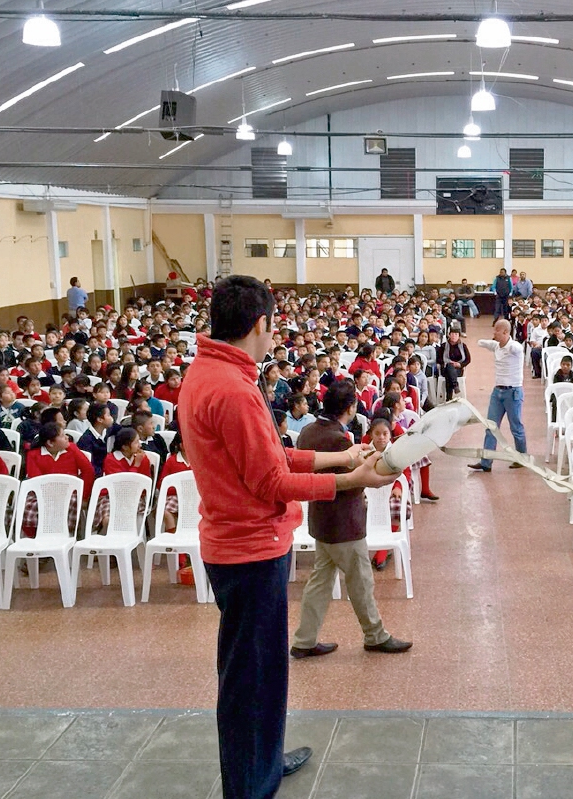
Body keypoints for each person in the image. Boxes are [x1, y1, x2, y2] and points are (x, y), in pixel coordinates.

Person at [178, 275, 397, 799]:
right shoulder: (233, 389)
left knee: (257, 668)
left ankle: (263, 761)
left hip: (236, 541)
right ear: (261, 324)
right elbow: (271, 481)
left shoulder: (208, 372)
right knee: (252, 676)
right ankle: (251, 784)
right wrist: (351, 480)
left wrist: (340, 455)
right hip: (249, 548)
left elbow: (269, 455)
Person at [291, 379, 412, 661]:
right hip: (344, 523)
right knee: (361, 582)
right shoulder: (338, 439)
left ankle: (304, 640)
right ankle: (375, 635)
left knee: (320, 583)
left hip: (321, 520)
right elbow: (351, 481)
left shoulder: (308, 431)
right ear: (350, 407)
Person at [469, 318, 527, 473]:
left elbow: (517, 348)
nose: (493, 333)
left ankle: (522, 458)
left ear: (506, 332)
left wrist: (509, 344)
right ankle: (486, 462)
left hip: (513, 392)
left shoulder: (515, 348)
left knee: (516, 427)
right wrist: (478, 341)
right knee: (491, 427)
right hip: (497, 392)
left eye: (497, 330)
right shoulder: (496, 346)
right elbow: (483, 342)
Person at [435, 328, 470, 402]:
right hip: (445, 367)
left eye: (456, 334)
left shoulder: (463, 346)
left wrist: (460, 365)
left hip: (458, 369)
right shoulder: (444, 346)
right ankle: (455, 385)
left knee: (449, 373)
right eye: (452, 334)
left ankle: (449, 398)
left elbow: (468, 359)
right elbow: (439, 359)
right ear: (449, 335)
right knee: (449, 367)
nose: (454, 336)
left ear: (459, 336)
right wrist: (448, 363)